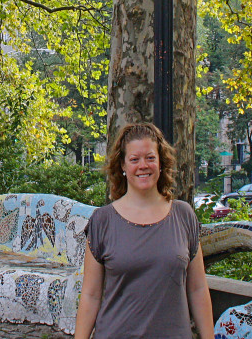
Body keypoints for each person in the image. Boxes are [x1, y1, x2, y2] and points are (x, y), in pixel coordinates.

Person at [74, 119, 214, 339]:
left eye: (150, 157)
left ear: (160, 162)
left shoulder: (184, 216)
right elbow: (91, 296)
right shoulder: (102, 221)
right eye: (134, 159)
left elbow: (197, 289)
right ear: (122, 165)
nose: (143, 165)